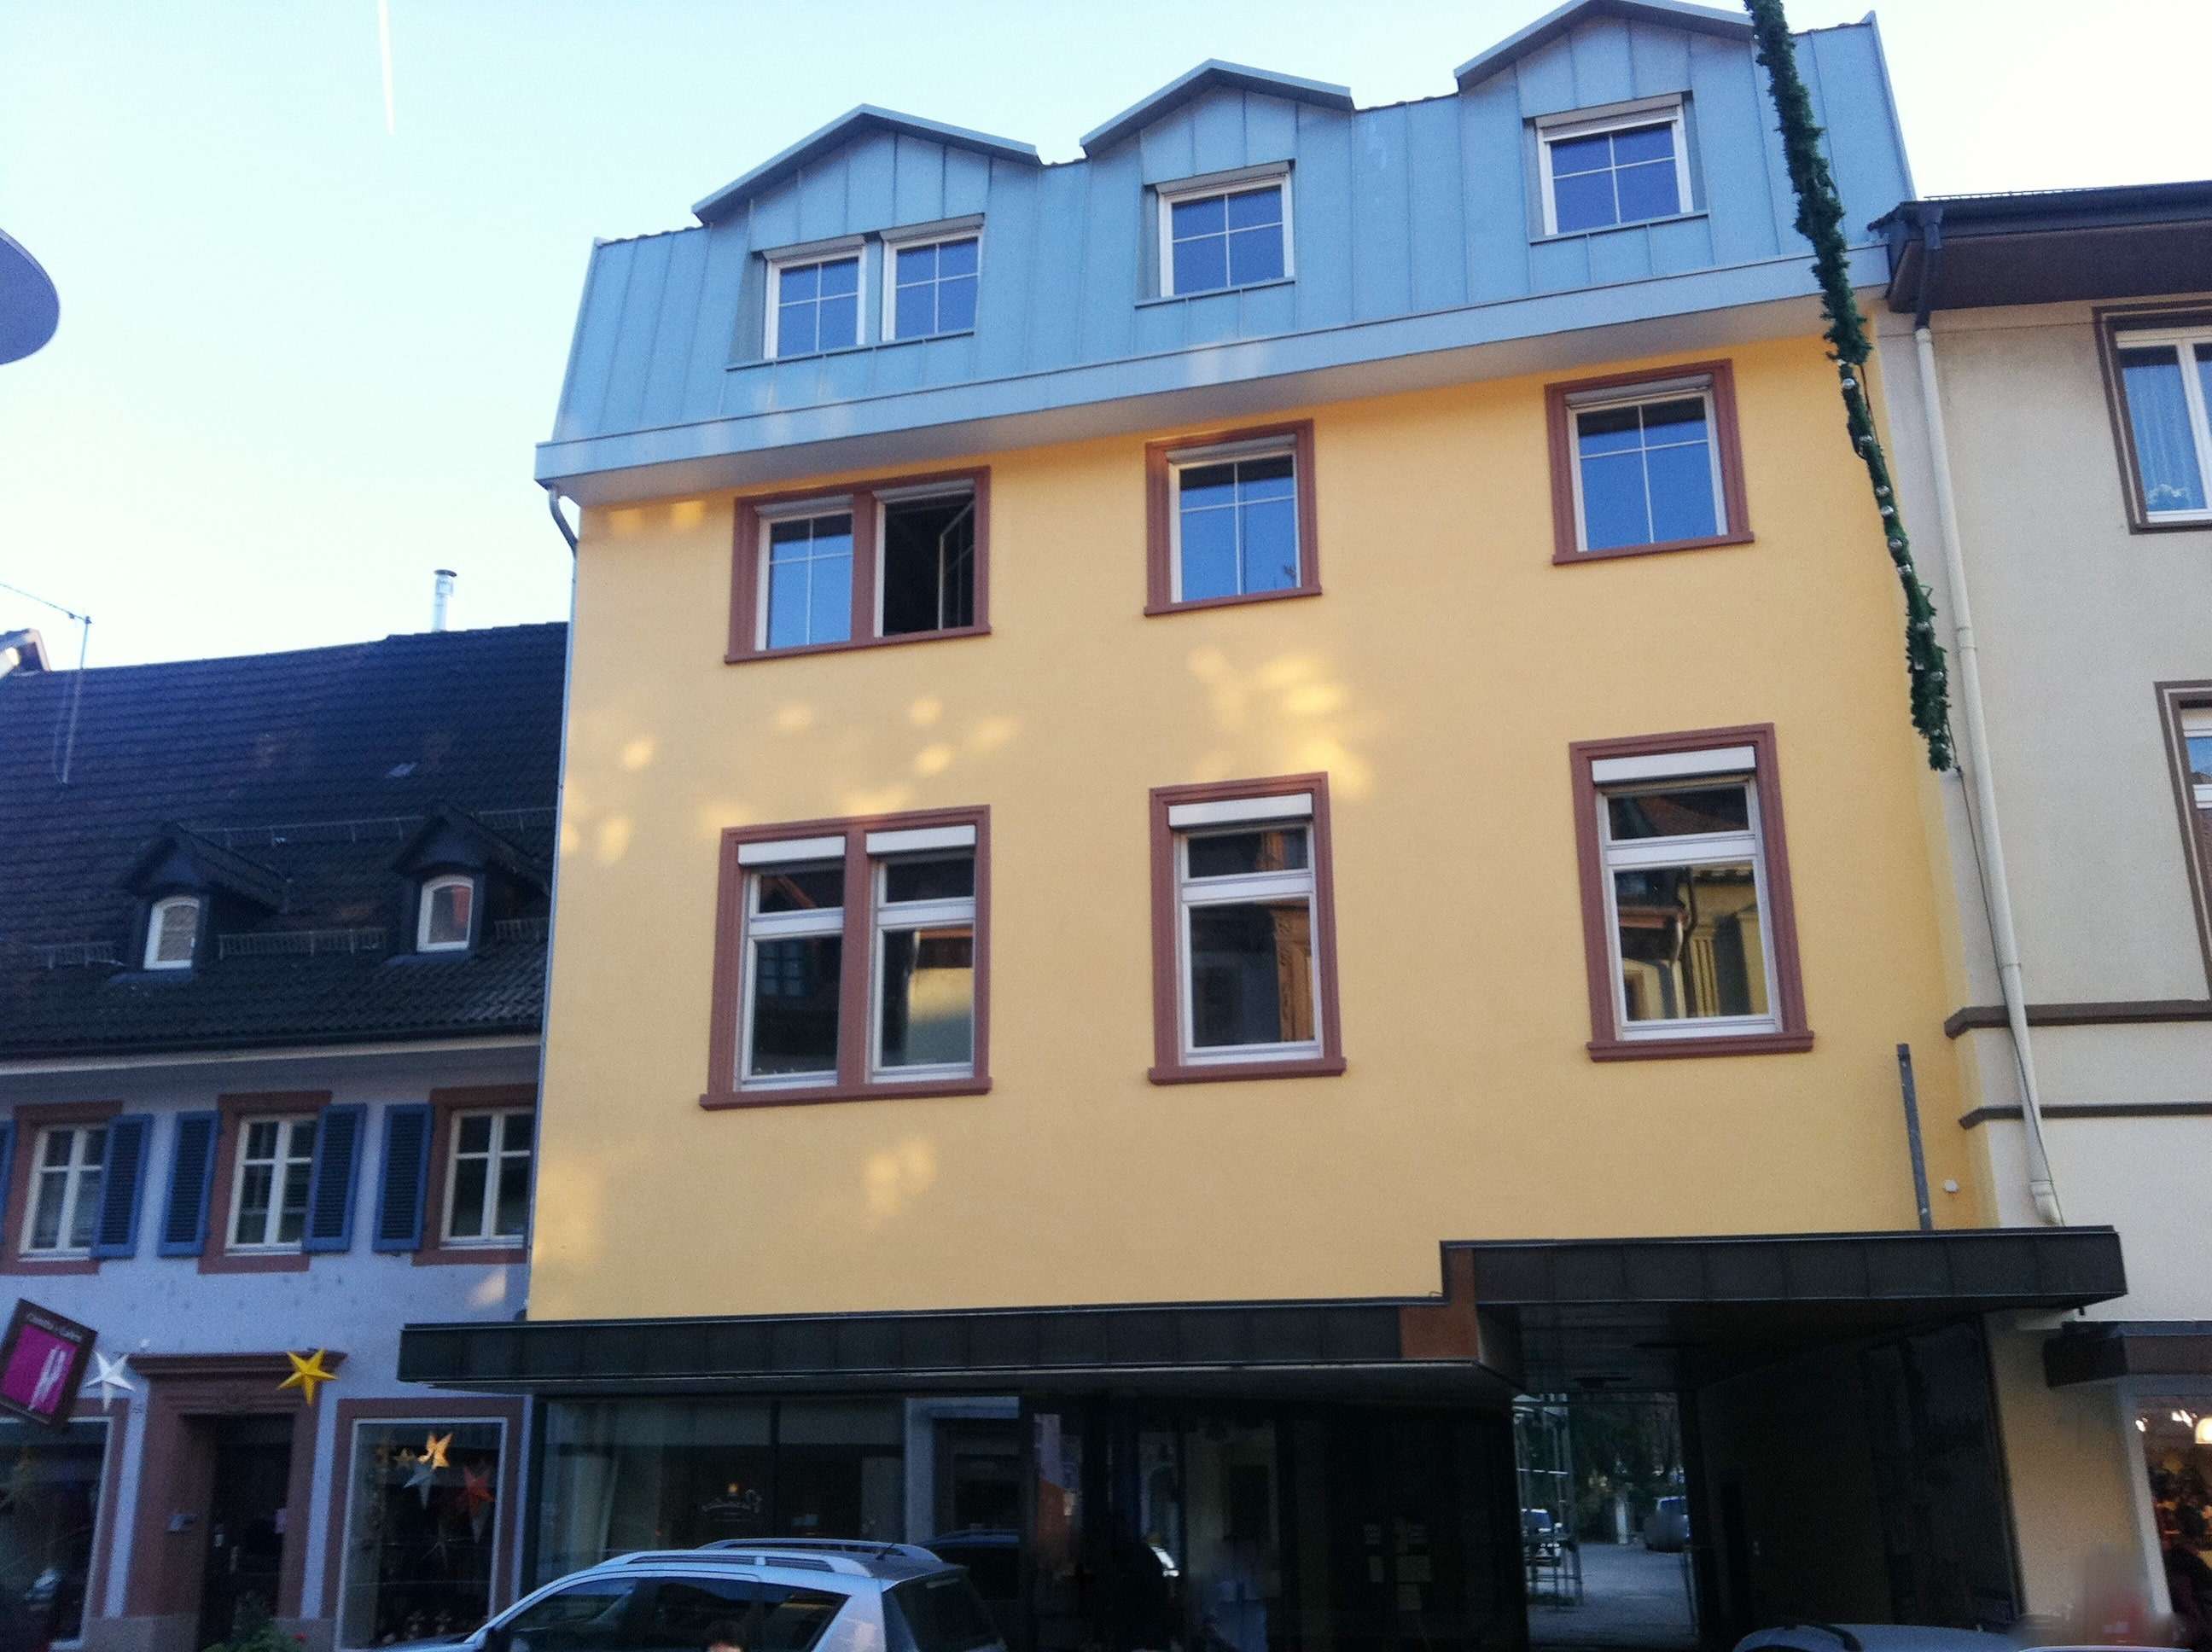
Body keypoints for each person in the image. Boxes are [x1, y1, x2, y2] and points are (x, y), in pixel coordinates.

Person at [2166, 1504, 2212, 1652]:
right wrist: (2204, 1627)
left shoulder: (2183, 1557)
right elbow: (2185, 1597)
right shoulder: (2181, 1558)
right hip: (2199, 1626)